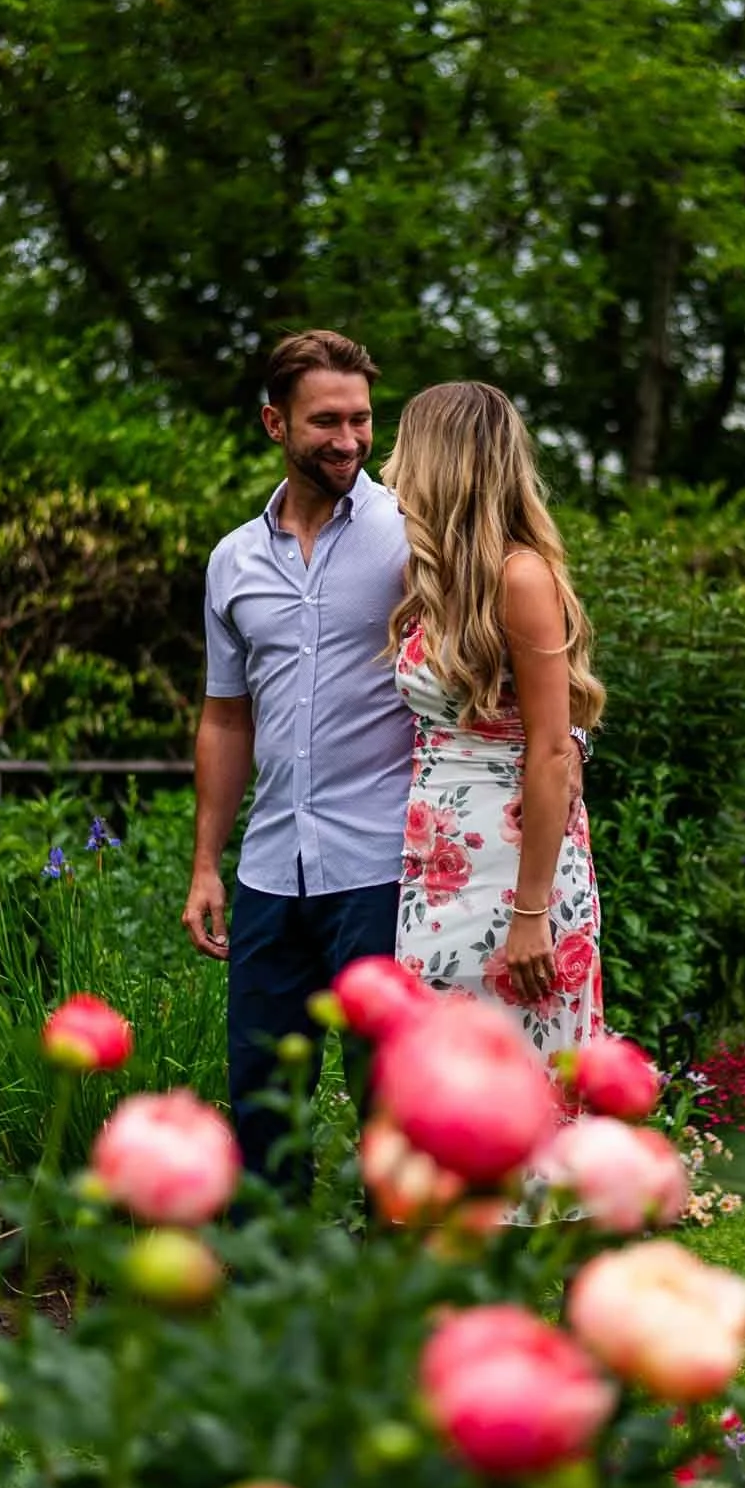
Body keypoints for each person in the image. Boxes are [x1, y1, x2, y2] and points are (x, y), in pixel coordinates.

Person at [181, 329, 414, 1189]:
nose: (348, 440)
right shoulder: (231, 562)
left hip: (384, 867)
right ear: (274, 423)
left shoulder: (411, 536)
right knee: (262, 1109)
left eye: (360, 420)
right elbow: (225, 717)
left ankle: (393, 1304)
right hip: (272, 874)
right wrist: (208, 863)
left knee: (389, 1104)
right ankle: (262, 1303)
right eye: (325, 422)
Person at [381, 382, 605, 1057]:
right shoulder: (431, 583)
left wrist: (531, 912)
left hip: (514, 872)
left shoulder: (521, 578)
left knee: (523, 1077)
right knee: (435, 1078)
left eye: (402, 449)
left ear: (436, 459)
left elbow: (549, 750)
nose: (390, 467)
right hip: (432, 866)